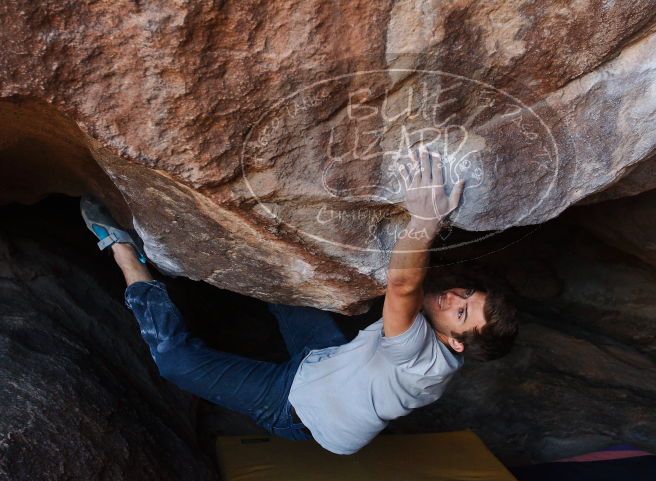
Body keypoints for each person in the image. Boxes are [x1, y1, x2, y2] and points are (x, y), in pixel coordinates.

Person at [81, 146, 518, 455]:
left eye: (461, 312)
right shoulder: (438, 331)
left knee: (174, 361)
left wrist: (426, 217)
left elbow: (403, 284)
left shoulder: (423, 359)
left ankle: (122, 251)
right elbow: (415, 282)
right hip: (323, 360)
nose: (451, 299)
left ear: (456, 342)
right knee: (285, 283)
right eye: (464, 294)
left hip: (293, 408)